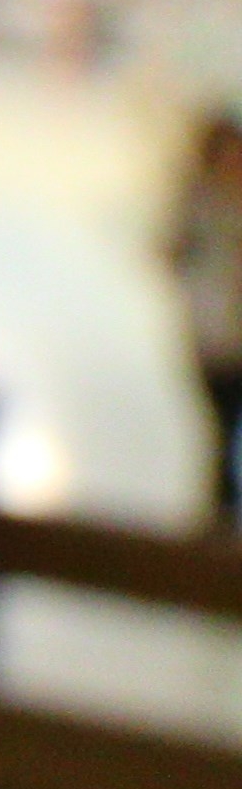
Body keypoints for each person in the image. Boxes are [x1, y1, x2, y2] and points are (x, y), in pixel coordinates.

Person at [175, 114, 242, 519]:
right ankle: (218, 503)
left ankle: (220, 503)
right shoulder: (198, 204)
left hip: (229, 332)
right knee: (217, 422)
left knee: (224, 423)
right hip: (212, 334)